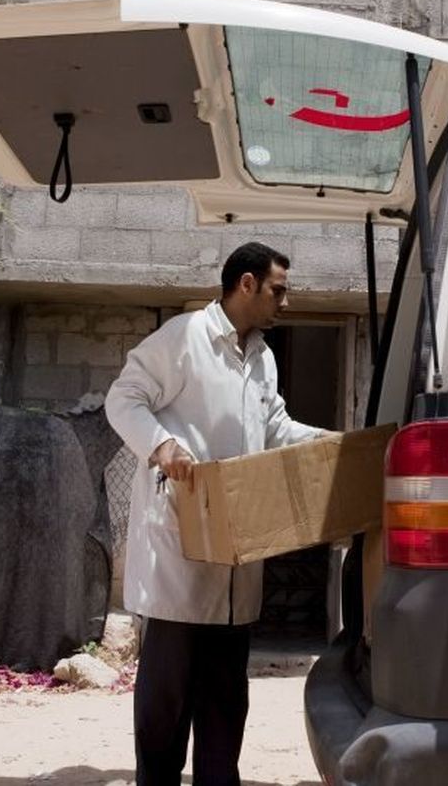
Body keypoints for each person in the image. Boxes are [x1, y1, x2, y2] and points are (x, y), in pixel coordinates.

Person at [105, 241, 331, 786]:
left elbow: (274, 427)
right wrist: (161, 445)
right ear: (247, 284)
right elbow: (123, 398)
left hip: (236, 556)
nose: (286, 303)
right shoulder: (184, 338)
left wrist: (334, 444)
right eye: (279, 290)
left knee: (226, 702)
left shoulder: (262, 357)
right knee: (167, 706)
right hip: (180, 558)